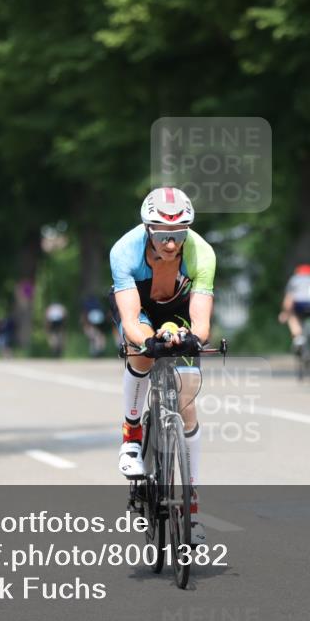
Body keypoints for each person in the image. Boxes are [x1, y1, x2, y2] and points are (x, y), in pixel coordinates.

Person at [109, 186, 215, 545]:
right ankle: (132, 436)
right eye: (163, 234)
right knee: (140, 352)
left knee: (187, 399)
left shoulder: (202, 254)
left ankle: (192, 503)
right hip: (139, 308)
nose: (172, 243)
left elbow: (200, 325)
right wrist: (146, 339)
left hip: (179, 310)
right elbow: (129, 318)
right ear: (148, 229)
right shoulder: (124, 251)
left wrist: (190, 338)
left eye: (179, 234)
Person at [279, 264, 310, 354]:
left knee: (291, 316)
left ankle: (298, 337)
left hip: (300, 304)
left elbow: (289, 298)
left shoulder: (295, 279)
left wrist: (285, 313)